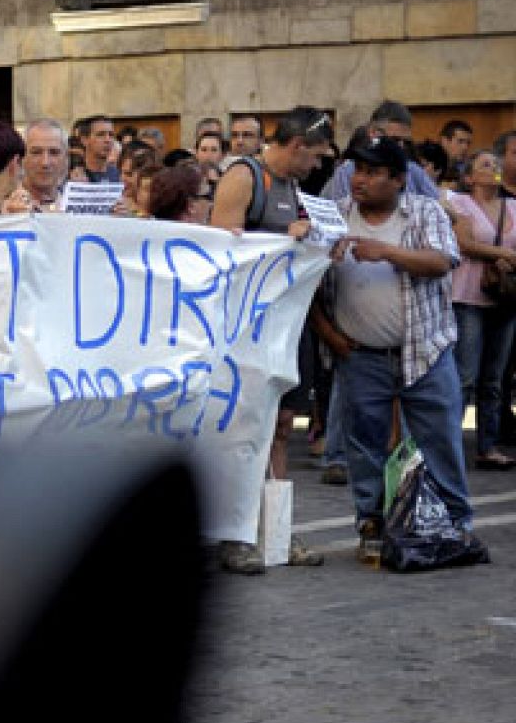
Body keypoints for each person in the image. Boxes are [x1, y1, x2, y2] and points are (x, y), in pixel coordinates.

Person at [310, 137, 475, 554]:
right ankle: (371, 522)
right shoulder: (334, 216)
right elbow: (306, 280)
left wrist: (386, 251)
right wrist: (330, 335)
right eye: (356, 170)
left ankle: (455, 521)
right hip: (359, 354)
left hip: (426, 349)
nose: (359, 179)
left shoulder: (424, 211)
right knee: (364, 444)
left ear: (399, 179)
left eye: (371, 172)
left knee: (439, 438)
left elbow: (442, 260)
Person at [210, 106, 333, 573]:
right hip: (244, 330)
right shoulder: (245, 177)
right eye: (316, 155)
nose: (318, 165)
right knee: (244, 428)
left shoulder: (291, 186)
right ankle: (235, 533)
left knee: (282, 425)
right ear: (298, 145)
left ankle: (274, 529)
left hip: (282, 325)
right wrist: (286, 236)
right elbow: (221, 247)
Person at [447, 149, 516, 469]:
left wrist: (507, 258)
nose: (493, 169)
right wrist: (501, 253)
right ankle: (451, 445)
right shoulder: (459, 204)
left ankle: (487, 445)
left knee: (494, 377)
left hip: (504, 298)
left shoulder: (512, 206)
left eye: (496, 165)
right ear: (470, 177)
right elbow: (463, 243)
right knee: (465, 375)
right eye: (485, 164)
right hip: (468, 296)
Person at [321, 101, 438, 200]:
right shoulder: (346, 173)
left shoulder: (413, 171)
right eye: (395, 140)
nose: (401, 147)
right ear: (373, 133)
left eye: (406, 142)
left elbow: (440, 206)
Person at [21, 118, 70, 211]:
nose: (45, 162)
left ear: (66, 158)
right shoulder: (3, 207)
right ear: (22, 158)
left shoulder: (75, 207)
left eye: (54, 152)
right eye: (36, 152)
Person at [145, 164, 212, 223]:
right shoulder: (212, 236)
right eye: (208, 196)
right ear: (191, 206)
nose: (211, 204)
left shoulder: (139, 233)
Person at [80, 115, 121, 182]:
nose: (108, 140)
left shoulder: (119, 176)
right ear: (84, 140)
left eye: (111, 135)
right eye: (100, 135)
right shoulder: (72, 176)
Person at [439, 119, 474, 185]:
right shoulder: (428, 166)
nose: (465, 147)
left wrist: (497, 176)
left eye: (468, 143)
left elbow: (497, 179)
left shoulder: (468, 168)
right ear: (445, 141)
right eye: (460, 141)